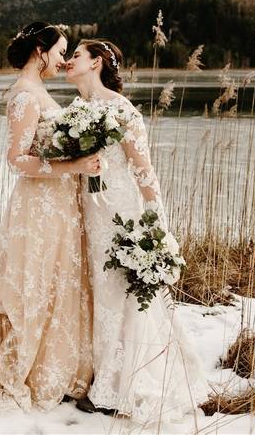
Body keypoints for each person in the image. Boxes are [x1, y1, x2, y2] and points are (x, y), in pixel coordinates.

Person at [65, 39, 209, 426]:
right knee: (96, 286)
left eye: (76, 55)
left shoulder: (121, 108)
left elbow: (142, 167)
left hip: (118, 209)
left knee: (118, 289)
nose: (68, 60)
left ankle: (115, 386)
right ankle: (95, 372)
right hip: (87, 211)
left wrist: (156, 219)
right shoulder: (76, 110)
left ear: (95, 62)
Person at [0, 22, 100, 412]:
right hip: (37, 207)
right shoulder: (24, 96)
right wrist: (73, 165)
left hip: (57, 205)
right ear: (41, 50)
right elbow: (18, 161)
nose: (63, 58)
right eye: (60, 50)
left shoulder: (40, 91)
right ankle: (25, 370)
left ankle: (60, 367)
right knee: (33, 283)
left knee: (57, 281)